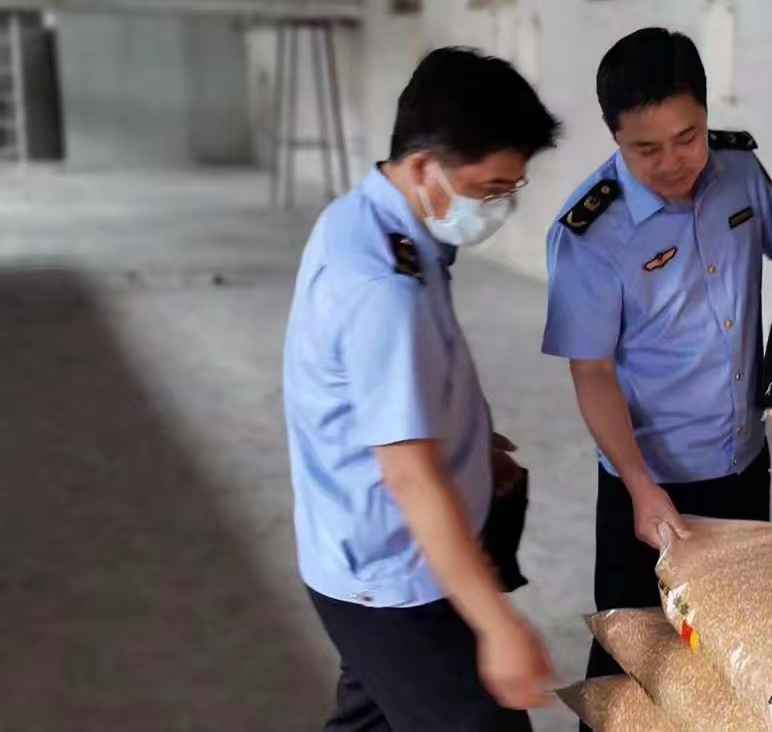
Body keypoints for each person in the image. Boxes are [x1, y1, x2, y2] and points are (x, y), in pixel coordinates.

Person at [540, 27, 772, 692]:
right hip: (651, 482)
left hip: (741, 462)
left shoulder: (736, 170)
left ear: (707, 116)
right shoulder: (592, 235)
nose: (675, 161)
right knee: (636, 659)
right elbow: (591, 373)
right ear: (614, 137)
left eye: (688, 136)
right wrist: (637, 484)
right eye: (644, 149)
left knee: (735, 645)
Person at [282, 47, 561, 731]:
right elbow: (409, 479)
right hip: (399, 579)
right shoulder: (383, 286)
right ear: (419, 167)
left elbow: (393, 384)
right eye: (490, 189)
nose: (500, 207)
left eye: (511, 189)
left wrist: (471, 439)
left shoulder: (377, 220)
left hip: (358, 556)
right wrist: (496, 623)